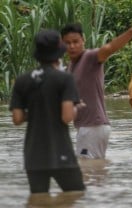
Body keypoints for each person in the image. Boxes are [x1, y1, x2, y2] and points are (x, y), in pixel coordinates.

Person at [9, 29, 85, 194]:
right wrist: (76, 107)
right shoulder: (64, 79)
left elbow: (17, 118)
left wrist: (37, 111)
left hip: (33, 157)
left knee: (38, 201)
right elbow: (66, 117)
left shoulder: (22, 80)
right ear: (59, 51)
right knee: (76, 195)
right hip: (61, 153)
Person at [60, 19, 132, 159]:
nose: (72, 46)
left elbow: (109, 48)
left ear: (83, 40)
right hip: (88, 127)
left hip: (93, 127)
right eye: (67, 43)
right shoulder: (71, 66)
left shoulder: (89, 57)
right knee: (95, 173)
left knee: (86, 171)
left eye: (75, 41)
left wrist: (130, 33)